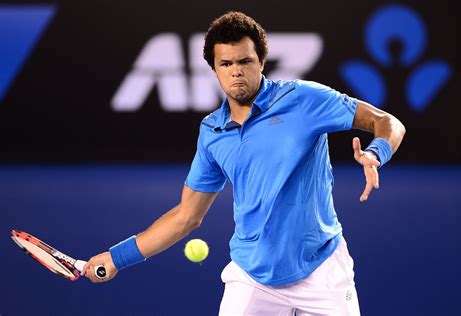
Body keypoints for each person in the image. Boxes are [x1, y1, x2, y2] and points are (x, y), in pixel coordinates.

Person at [83, 11, 405, 315]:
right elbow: (186, 217)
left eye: (244, 61)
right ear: (214, 69)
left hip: (322, 268)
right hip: (252, 275)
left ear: (261, 61)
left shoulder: (303, 99)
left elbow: (387, 122)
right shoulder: (212, 133)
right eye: (225, 63)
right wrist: (116, 257)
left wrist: (376, 153)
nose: (235, 70)